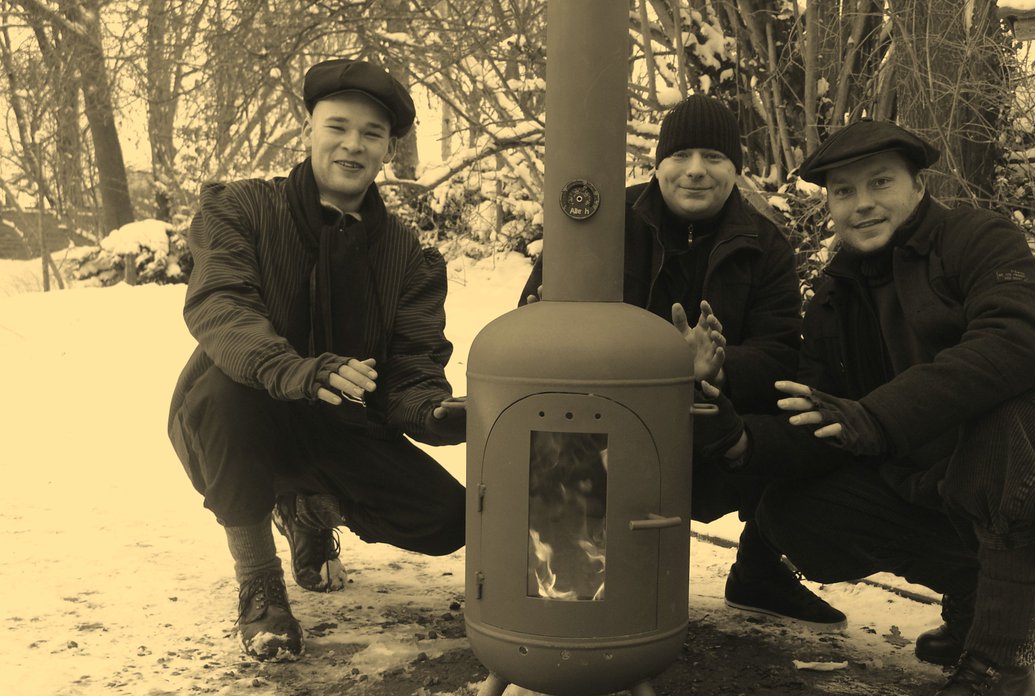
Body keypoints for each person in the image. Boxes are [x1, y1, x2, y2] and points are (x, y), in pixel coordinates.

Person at [702, 119, 1035, 696]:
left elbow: (1016, 346)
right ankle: (977, 596)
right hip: (952, 471)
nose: (862, 204)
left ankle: (1002, 669)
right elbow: (819, 418)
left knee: (1002, 418)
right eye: (843, 192)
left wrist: (878, 417)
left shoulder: (977, 238)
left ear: (917, 184)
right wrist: (733, 436)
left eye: (880, 182)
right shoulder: (834, 295)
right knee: (799, 509)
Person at [167, 59, 467, 661]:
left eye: (372, 134)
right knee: (225, 395)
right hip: (243, 412)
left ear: (388, 150)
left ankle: (308, 508)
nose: (353, 145)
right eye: (338, 126)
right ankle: (260, 588)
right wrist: (300, 372)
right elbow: (221, 308)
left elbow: (410, 363)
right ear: (309, 129)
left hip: (342, 424)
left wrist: (434, 411)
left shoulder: (408, 255)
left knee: (447, 519)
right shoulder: (240, 210)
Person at [519, 94, 846, 631]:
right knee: (555, 422)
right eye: (683, 155)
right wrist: (656, 362)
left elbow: (782, 351)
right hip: (606, 421)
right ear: (659, 163)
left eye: (714, 158)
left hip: (712, 426)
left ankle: (760, 571)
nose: (696, 171)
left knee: (811, 424)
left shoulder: (766, 244)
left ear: (735, 170)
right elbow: (534, 320)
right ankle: (571, 602)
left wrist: (718, 368)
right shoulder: (604, 222)